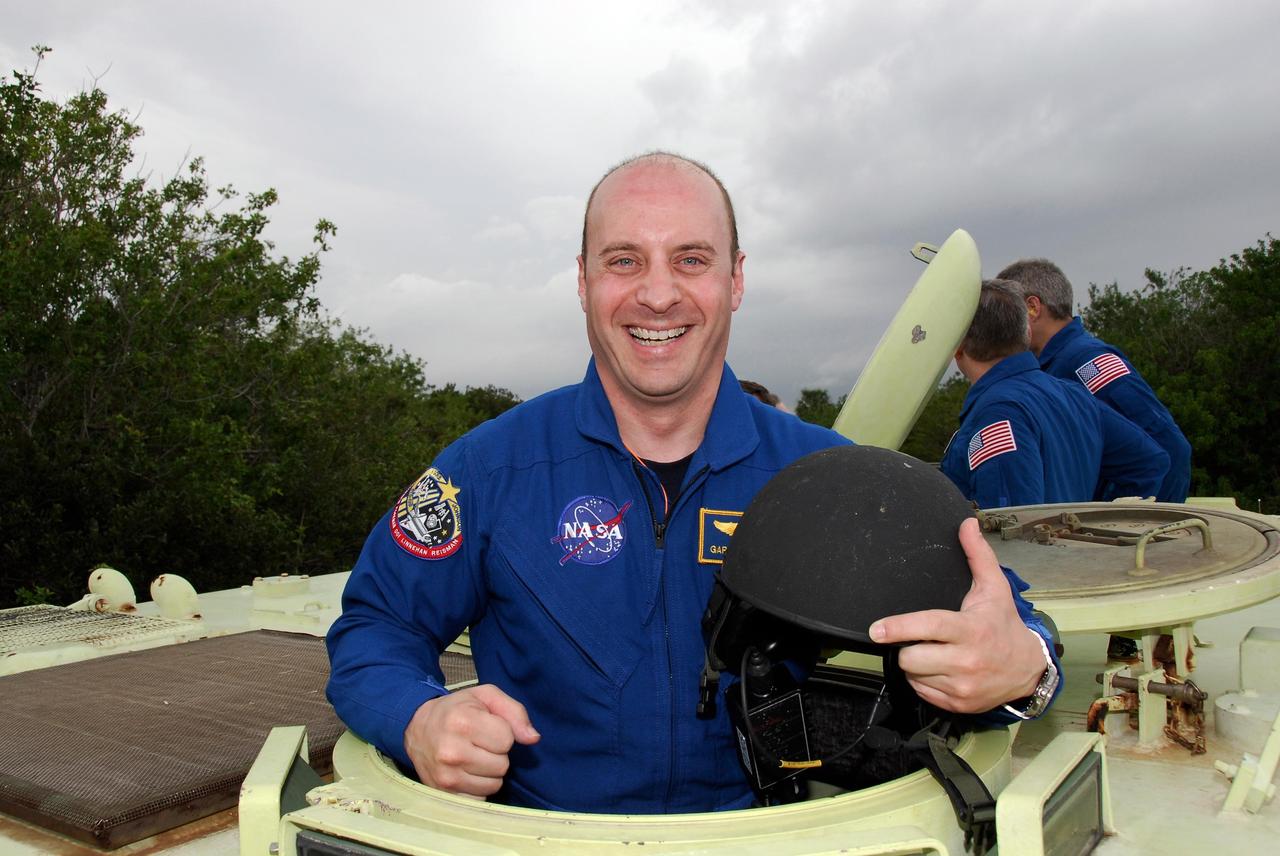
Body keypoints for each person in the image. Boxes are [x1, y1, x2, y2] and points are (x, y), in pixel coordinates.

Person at [326, 152, 1059, 815]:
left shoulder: (826, 478)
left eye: (691, 260)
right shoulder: (488, 471)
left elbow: (1011, 623)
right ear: (583, 281)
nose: (657, 294)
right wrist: (416, 716)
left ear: (735, 280)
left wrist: (1024, 667)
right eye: (624, 261)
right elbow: (375, 627)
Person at [942, 279, 1169, 508]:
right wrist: (1099, 522)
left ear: (958, 345)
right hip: (1066, 533)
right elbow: (1148, 462)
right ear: (1027, 332)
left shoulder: (997, 412)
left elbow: (1009, 518)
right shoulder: (1076, 396)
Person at [997, 258, 1192, 502]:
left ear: (1032, 308)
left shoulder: (1086, 362)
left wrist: (1135, 520)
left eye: (1006, 313)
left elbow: (1171, 448)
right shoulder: (1057, 365)